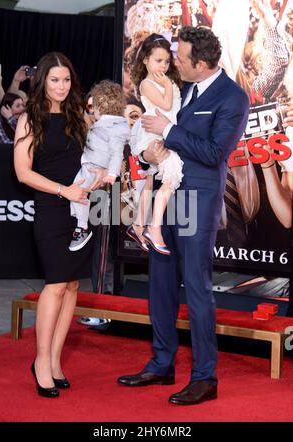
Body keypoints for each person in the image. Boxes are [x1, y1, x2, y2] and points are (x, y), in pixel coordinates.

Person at [117, 26, 249, 406]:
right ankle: (161, 363)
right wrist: (147, 154)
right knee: (159, 285)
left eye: (181, 57)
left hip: (197, 201)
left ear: (202, 64)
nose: (174, 60)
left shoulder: (232, 98)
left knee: (196, 288)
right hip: (165, 195)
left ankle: (205, 377)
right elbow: (152, 137)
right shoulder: (181, 86)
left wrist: (169, 131)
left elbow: (213, 153)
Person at [14, 52, 95, 398]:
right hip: (51, 207)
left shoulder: (80, 115)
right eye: (54, 80)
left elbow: (95, 155)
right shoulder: (31, 117)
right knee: (56, 284)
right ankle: (41, 361)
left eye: (66, 80)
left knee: (73, 285)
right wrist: (64, 190)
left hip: (82, 209)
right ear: (43, 81)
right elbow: (22, 171)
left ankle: (56, 360)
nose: (61, 87)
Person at [127, 33, 183, 255]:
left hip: (166, 132)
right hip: (153, 135)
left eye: (167, 61)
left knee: (151, 183)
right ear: (145, 61)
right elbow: (166, 103)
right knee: (170, 177)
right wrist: (168, 84)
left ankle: (139, 225)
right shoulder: (147, 84)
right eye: (158, 61)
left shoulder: (167, 82)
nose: (163, 65)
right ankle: (154, 227)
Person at [69, 80, 130, 252]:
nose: (91, 109)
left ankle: (81, 228)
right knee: (77, 194)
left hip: (95, 169)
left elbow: (118, 152)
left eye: (93, 105)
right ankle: (81, 227)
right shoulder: (106, 123)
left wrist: (111, 174)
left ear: (101, 105)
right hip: (90, 167)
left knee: (77, 193)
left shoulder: (114, 126)